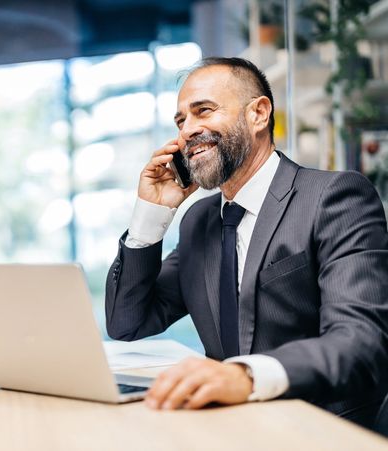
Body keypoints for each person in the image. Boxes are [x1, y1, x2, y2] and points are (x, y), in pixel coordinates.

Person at [105, 57, 388, 428]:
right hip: (228, 428)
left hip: (320, 429)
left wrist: (245, 376)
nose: (187, 131)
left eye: (203, 111)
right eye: (180, 121)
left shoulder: (334, 197)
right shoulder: (199, 222)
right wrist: (149, 215)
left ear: (259, 114)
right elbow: (127, 322)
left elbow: (361, 343)